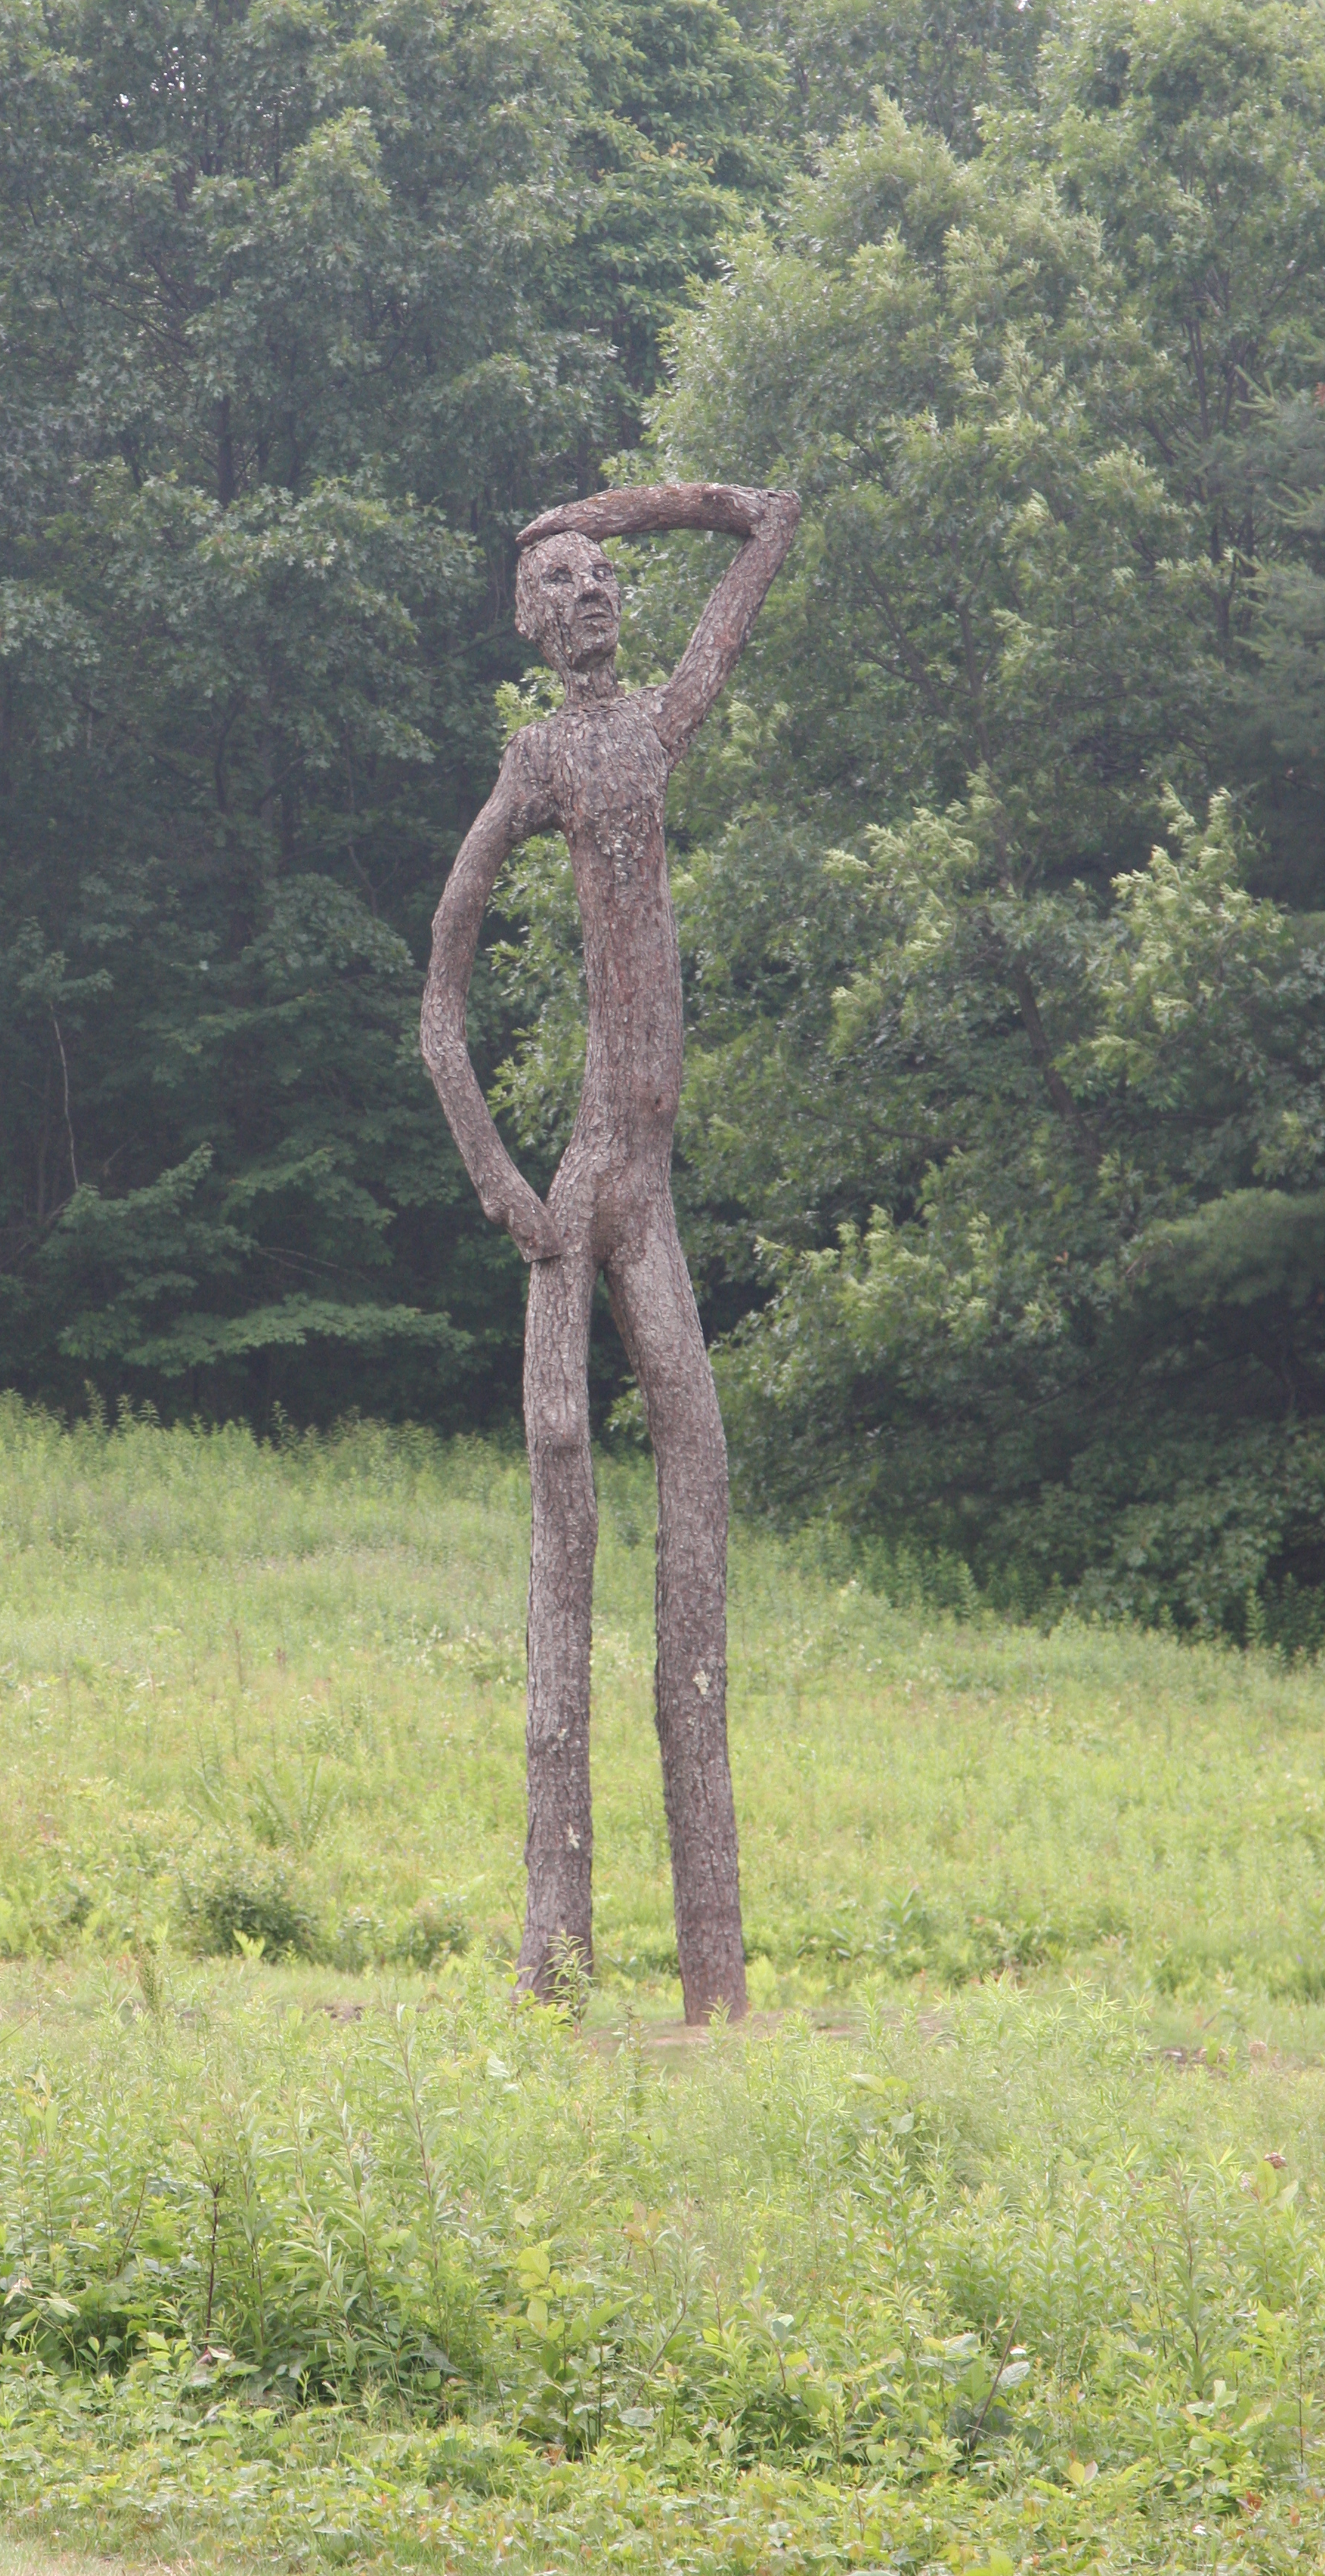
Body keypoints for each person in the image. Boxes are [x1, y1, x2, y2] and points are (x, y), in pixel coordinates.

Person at [420, 480, 799, 2018]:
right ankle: (556, 1965)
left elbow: (765, 529)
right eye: (563, 581)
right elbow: (439, 1004)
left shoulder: (654, 726)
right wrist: (503, 1185)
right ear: (528, 621)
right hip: (579, 1195)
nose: (592, 594)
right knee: (565, 1496)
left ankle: (716, 1982)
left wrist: (601, 512)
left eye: (604, 579)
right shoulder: (543, 761)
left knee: (697, 1505)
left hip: (652, 1201)